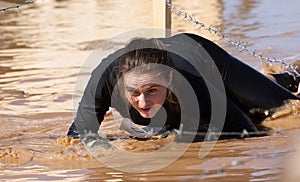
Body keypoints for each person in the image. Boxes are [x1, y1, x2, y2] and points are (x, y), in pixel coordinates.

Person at [67, 33, 300, 140]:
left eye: (151, 91)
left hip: (206, 60)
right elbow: (77, 135)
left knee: (282, 109)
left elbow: (245, 130)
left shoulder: (192, 83)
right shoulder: (102, 81)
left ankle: (286, 79)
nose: (142, 102)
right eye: (133, 93)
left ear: (168, 80)